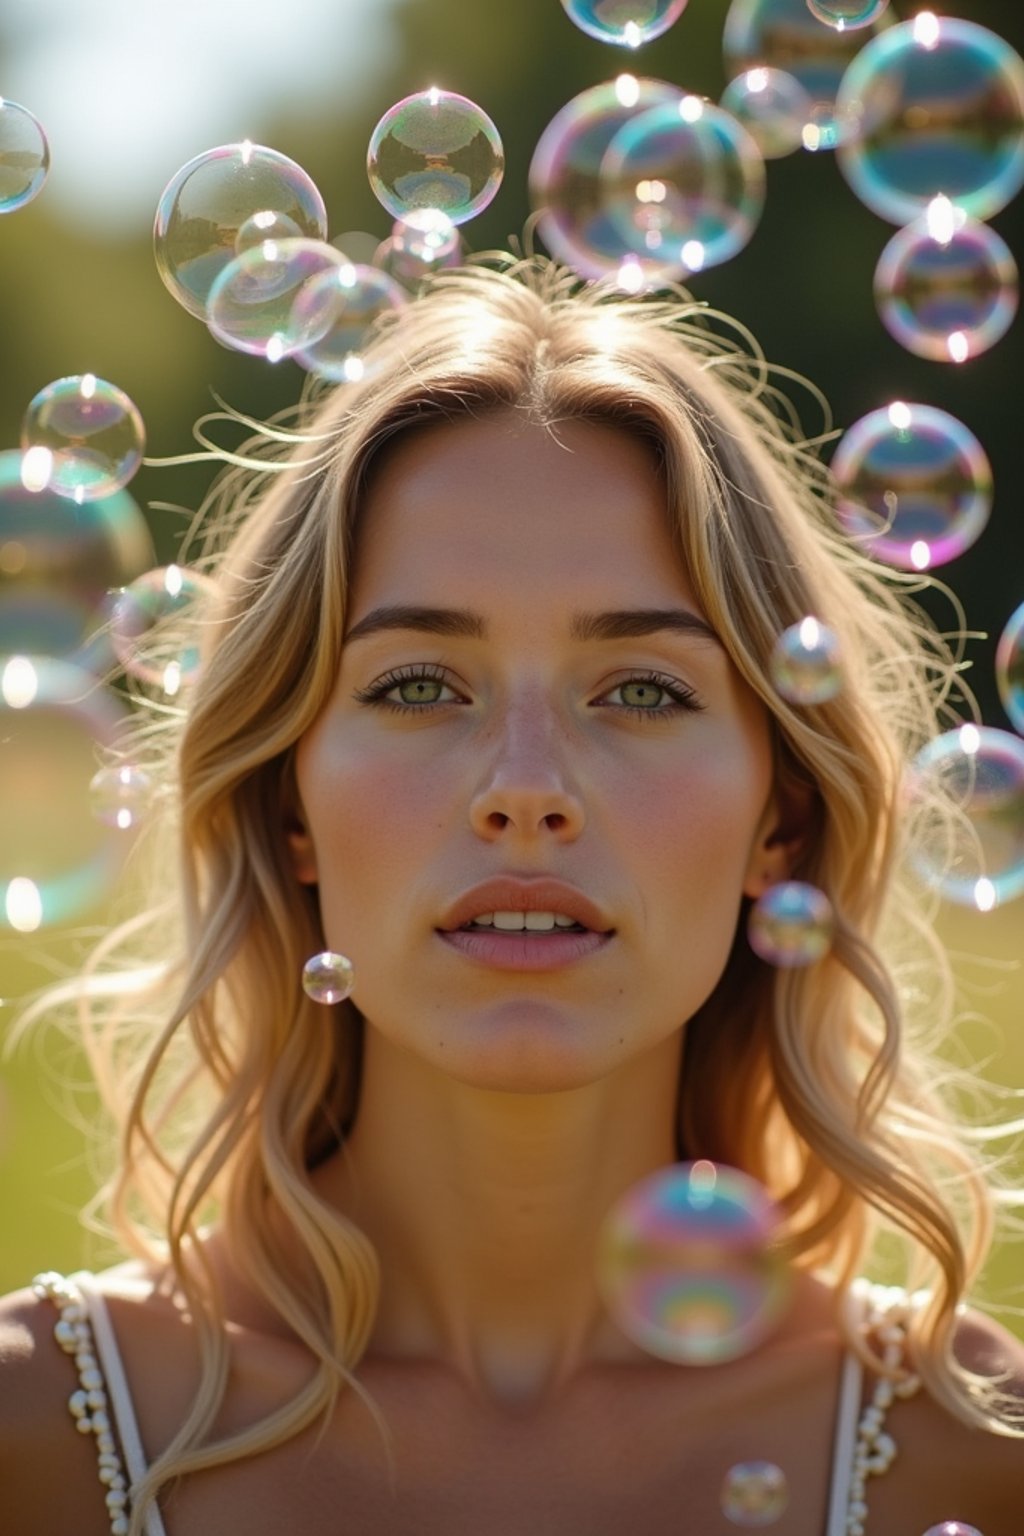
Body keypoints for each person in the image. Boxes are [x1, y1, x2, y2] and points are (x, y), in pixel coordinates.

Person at [1, 253, 1021, 1536]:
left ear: (783, 818)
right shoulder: (31, 1438)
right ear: (287, 804)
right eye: (419, 684)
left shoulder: (978, 1453)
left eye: (643, 690)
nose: (525, 791)